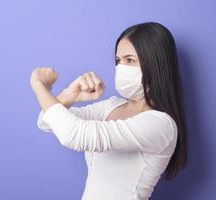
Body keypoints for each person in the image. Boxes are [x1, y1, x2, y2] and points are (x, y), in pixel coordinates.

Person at [30, 21, 187, 200]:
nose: (121, 68)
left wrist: (38, 84)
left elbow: (72, 135)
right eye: (118, 61)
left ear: (156, 65)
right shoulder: (112, 105)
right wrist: (69, 95)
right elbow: (46, 121)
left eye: (130, 60)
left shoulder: (160, 124)